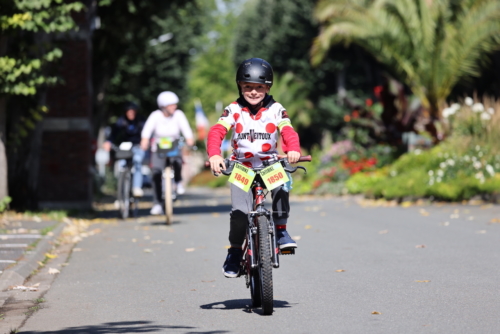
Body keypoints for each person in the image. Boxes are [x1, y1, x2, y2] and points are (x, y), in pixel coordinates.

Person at [207, 58, 301, 278]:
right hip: (241, 168)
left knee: (281, 188)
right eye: (248, 87)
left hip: (270, 164)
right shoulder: (233, 109)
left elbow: (288, 132)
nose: (253, 92)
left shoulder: (276, 109)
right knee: (239, 212)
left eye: (260, 87)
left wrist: (293, 149)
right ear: (240, 86)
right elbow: (216, 132)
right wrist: (214, 155)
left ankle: (281, 232)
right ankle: (234, 251)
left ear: (268, 88)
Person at [141, 91, 194, 215]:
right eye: (171, 105)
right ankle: (157, 203)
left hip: (174, 147)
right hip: (157, 149)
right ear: (163, 106)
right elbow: (146, 131)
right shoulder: (155, 116)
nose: (174, 107)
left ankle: (178, 181)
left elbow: (186, 129)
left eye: (175, 105)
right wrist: (144, 140)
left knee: (178, 161)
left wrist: (189, 139)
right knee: (156, 173)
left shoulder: (179, 115)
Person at [103, 102, 146, 197]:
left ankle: (136, 187)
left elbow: (146, 133)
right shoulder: (121, 121)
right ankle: (121, 194)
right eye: (129, 112)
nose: (131, 114)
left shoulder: (141, 121)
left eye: (133, 112)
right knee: (122, 165)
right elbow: (114, 133)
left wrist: (144, 142)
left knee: (137, 162)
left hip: (137, 145)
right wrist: (108, 142)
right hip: (125, 146)